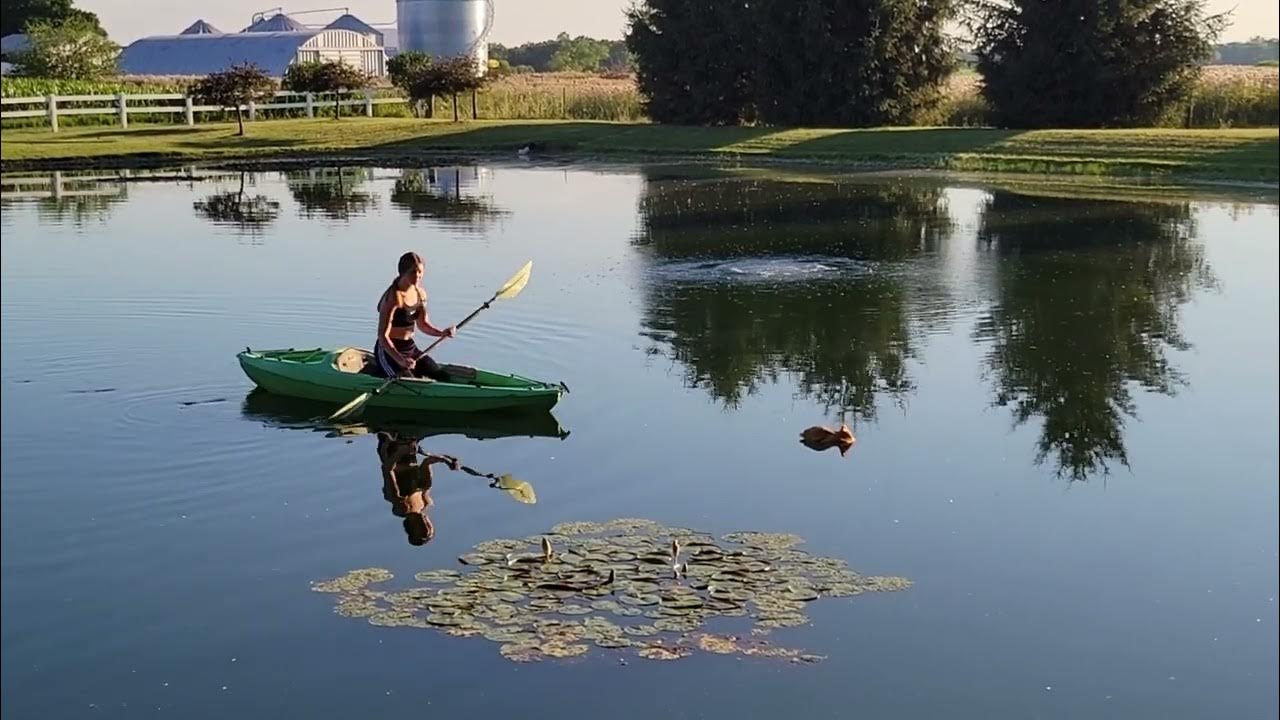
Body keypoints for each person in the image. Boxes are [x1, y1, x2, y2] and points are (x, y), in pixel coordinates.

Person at [375, 251, 456, 381]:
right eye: (413, 272)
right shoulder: (393, 299)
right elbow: (382, 336)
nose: (418, 275)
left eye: (420, 271)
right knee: (410, 383)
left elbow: (423, 325)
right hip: (388, 351)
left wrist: (442, 333)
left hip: (410, 348)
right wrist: (401, 360)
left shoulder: (420, 294)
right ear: (403, 272)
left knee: (442, 376)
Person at [377, 431, 459, 546]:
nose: (425, 523)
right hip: (410, 451)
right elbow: (427, 463)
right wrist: (446, 461)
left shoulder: (402, 506)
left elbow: (387, 469)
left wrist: (400, 452)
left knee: (392, 434)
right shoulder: (425, 503)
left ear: (411, 527)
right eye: (429, 526)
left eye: (422, 527)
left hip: (391, 450)